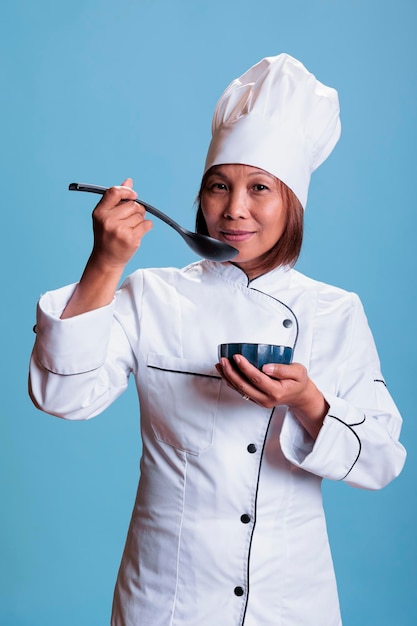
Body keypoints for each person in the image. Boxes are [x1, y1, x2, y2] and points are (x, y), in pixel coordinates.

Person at [29, 54, 406, 626]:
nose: (234, 209)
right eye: (218, 187)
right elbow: (62, 398)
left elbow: (382, 460)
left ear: (292, 204)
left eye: (260, 188)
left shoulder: (334, 310)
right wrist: (104, 264)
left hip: (291, 603)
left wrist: (307, 402)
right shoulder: (151, 295)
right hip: (166, 601)